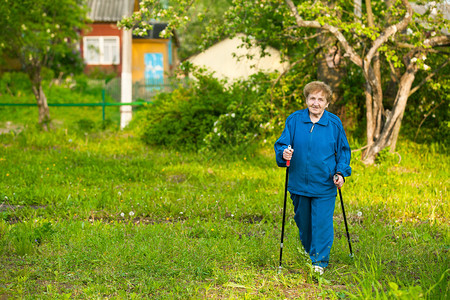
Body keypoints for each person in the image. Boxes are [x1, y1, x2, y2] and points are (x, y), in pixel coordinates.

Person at [274, 81, 351, 275]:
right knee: (303, 222)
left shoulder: (334, 123)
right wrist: (284, 153)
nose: (316, 103)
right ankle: (312, 251)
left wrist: (340, 172)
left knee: (322, 223)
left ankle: (319, 261)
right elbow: (282, 144)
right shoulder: (294, 120)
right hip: (298, 183)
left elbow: (343, 151)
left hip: (325, 183)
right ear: (306, 100)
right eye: (312, 98)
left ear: (327, 103)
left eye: (320, 99)